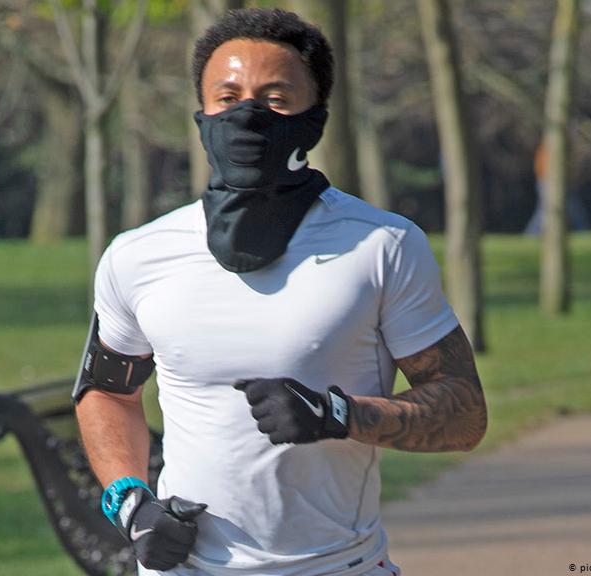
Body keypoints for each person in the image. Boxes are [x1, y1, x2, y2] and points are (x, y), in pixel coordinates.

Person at [71, 8, 488, 576]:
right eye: (227, 97)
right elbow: (106, 393)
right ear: (202, 114)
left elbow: (464, 414)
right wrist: (129, 501)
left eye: (276, 99)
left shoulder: (382, 245)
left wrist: (338, 414)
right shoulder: (138, 255)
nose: (247, 114)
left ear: (314, 120)